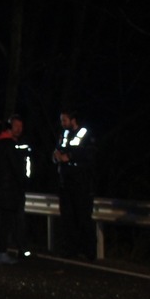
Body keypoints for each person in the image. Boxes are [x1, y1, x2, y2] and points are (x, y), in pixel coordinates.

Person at [52, 110, 96, 259]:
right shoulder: (63, 135)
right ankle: (71, 249)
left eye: (65, 120)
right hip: (65, 182)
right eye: (61, 120)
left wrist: (69, 157)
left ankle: (88, 251)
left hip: (81, 184)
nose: (62, 123)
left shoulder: (85, 134)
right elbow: (58, 150)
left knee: (83, 217)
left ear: (73, 119)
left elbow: (89, 155)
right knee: (67, 218)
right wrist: (56, 156)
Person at [0, 119, 26, 264]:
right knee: (4, 223)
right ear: (7, 130)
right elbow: (16, 168)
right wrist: (23, 181)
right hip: (7, 191)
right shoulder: (8, 145)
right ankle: (2, 252)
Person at [9, 115, 32, 258]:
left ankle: (21, 246)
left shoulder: (24, 143)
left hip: (20, 188)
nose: (19, 129)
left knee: (20, 218)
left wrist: (26, 181)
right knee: (9, 218)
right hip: (8, 188)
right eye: (16, 126)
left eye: (20, 126)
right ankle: (8, 244)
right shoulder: (5, 143)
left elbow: (29, 164)